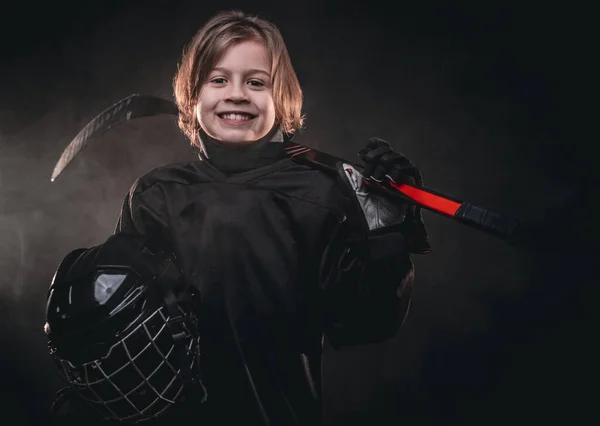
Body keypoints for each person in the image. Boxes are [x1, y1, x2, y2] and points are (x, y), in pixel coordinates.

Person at [45, 9, 431, 426]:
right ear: (192, 98)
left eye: (256, 82)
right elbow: (123, 317)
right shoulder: (157, 193)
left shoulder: (320, 194)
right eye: (218, 79)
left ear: (280, 97)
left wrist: (386, 231)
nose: (236, 94)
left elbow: (363, 325)